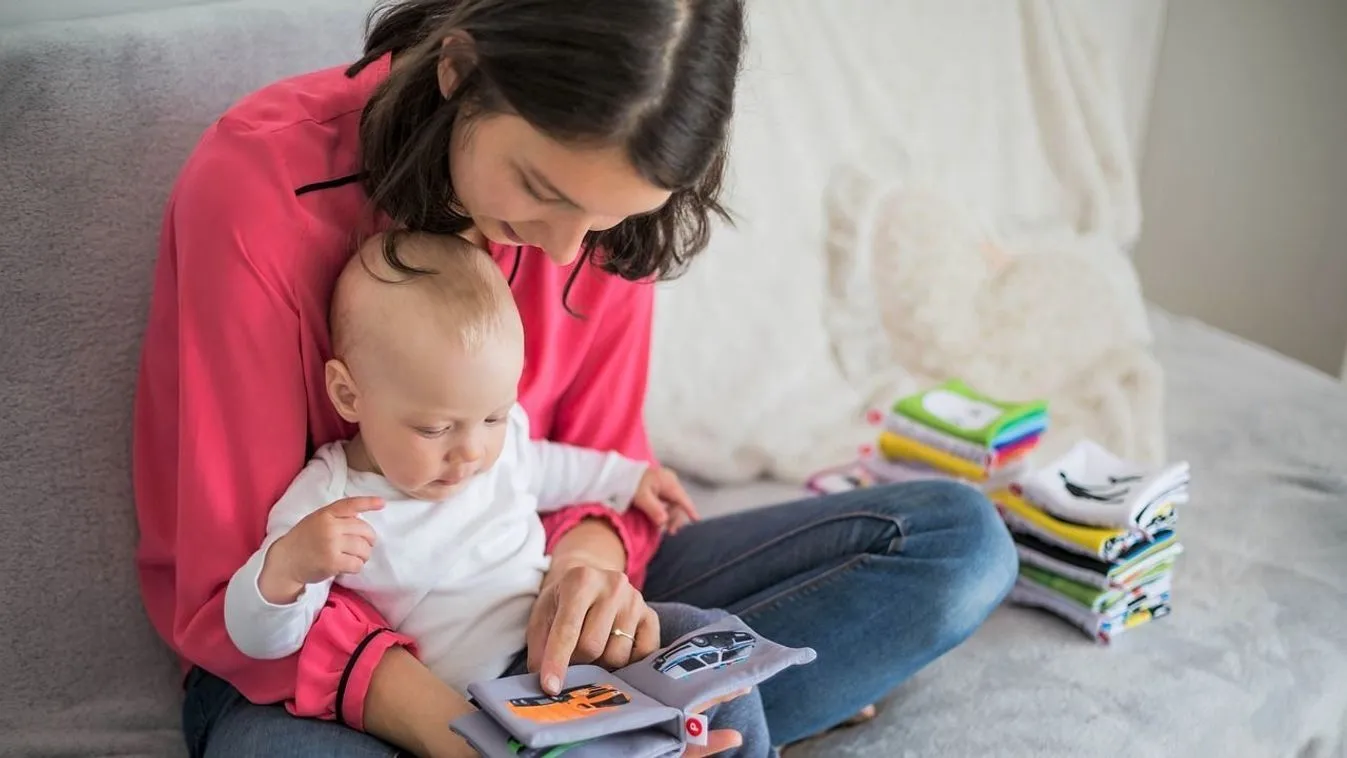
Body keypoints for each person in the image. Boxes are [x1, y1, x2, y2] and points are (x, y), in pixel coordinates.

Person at [131, 0, 1019, 756]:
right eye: (539, 188)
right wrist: (468, 735)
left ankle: (650, 719)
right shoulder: (254, 192)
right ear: (459, 68)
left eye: (609, 217)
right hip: (311, 662)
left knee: (957, 545)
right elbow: (234, 585)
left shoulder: (599, 223)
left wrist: (586, 576)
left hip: (531, 607)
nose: (565, 252)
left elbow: (598, 463)